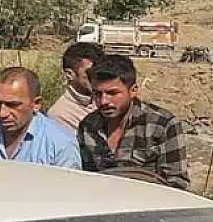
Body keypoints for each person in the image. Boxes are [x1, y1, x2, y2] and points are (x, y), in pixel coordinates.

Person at [77, 54, 190, 189]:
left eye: (112, 93)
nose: (104, 101)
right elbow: (86, 178)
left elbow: (177, 184)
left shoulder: (162, 125)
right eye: (97, 94)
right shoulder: (88, 127)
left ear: (133, 91)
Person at [0, 67, 81, 169]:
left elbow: (68, 193)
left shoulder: (61, 144)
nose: (2, 113)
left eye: (12, 105)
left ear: (36, 104)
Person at [48, 41, 104, 132]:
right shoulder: (60, 115)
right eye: (90, 72)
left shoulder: (104, 99)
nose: (96, 77)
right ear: (69, 74)